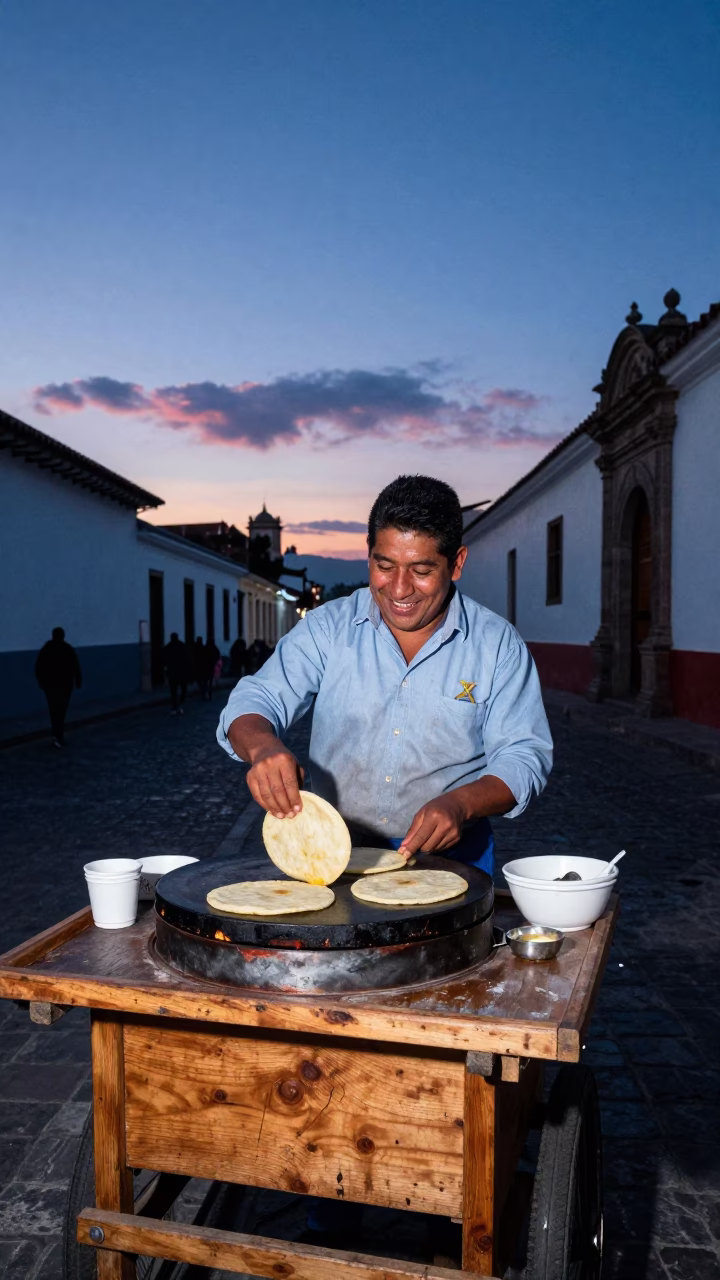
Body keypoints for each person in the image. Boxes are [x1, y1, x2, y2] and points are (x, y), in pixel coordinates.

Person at [217, 473, 552, 880]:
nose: (399, 588)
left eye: (421, 570)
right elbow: (255, 700)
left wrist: (462, 804)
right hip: (330, 856)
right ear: (369, 554)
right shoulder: (328, 628)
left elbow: (523, 756)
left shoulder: (498, 646)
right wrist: (263, 747)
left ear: (457, 563)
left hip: (452, 862)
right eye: (385, 565)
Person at [35, 627, 82, 748]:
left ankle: (57, 733)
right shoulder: (67, 649)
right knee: (61, 709)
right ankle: (58, 733)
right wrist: (78, 680)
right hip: (64, 684)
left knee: (53, 708)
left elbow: (39, 666)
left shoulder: (47, 649)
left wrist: (41, 681)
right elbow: (75, 665)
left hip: (50, 684)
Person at [162, 632, 188, 715]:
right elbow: (187, 660)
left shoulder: (167, 648)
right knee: (183, 689)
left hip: (172, 673)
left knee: (173, 691)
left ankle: (175, 706)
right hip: (181, 673)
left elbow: (164, 661)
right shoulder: (182, 646)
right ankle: (180, 704)